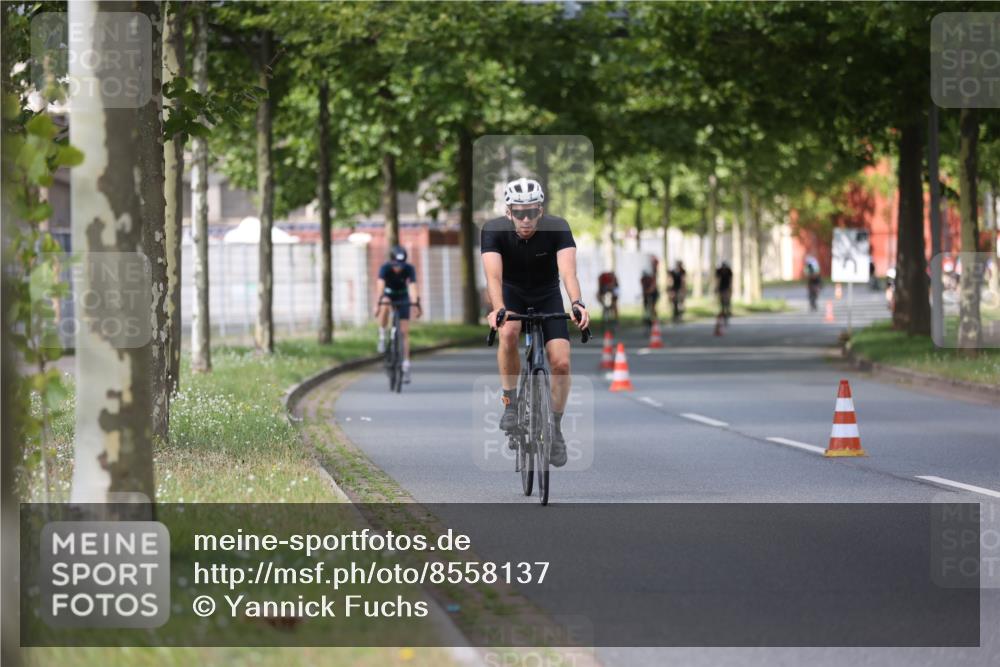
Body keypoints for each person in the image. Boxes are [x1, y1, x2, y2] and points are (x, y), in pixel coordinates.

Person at [481, 177, 589, 468]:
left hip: (547, 294)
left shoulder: (558, 227)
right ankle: (510, 402)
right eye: (519, 213)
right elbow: (494, 277)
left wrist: (577, 303)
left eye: (531, 212)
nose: (525, 219)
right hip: (511, 293)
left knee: (562, 363)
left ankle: (554, 429)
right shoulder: (493, 230)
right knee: (509, 333)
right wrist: (499, 309)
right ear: (508, 213)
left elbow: (568, 273)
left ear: (541, 211)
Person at [374, 245, 421, 383]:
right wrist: (377, 304)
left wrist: (416, 304)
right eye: (396, 265)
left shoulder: (409, 269)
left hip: (402, 297)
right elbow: (380, 287)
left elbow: (412, 288)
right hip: (388, 296)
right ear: (391, 261)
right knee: (385, 303)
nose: (398, 268)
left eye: (401, 265)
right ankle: (382, 334)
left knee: (404, 332)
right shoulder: (385, 268)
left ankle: (406, 365)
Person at [640, 255, 660, 329]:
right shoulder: (642, 279)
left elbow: (653, 286)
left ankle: (655, 319)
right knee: (645, 305)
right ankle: (646, 317)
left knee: (653, 306)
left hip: (654, 292)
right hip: (646, 292)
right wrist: (644, 293)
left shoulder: (652, 278)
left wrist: (649, 291)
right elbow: (642, 287)